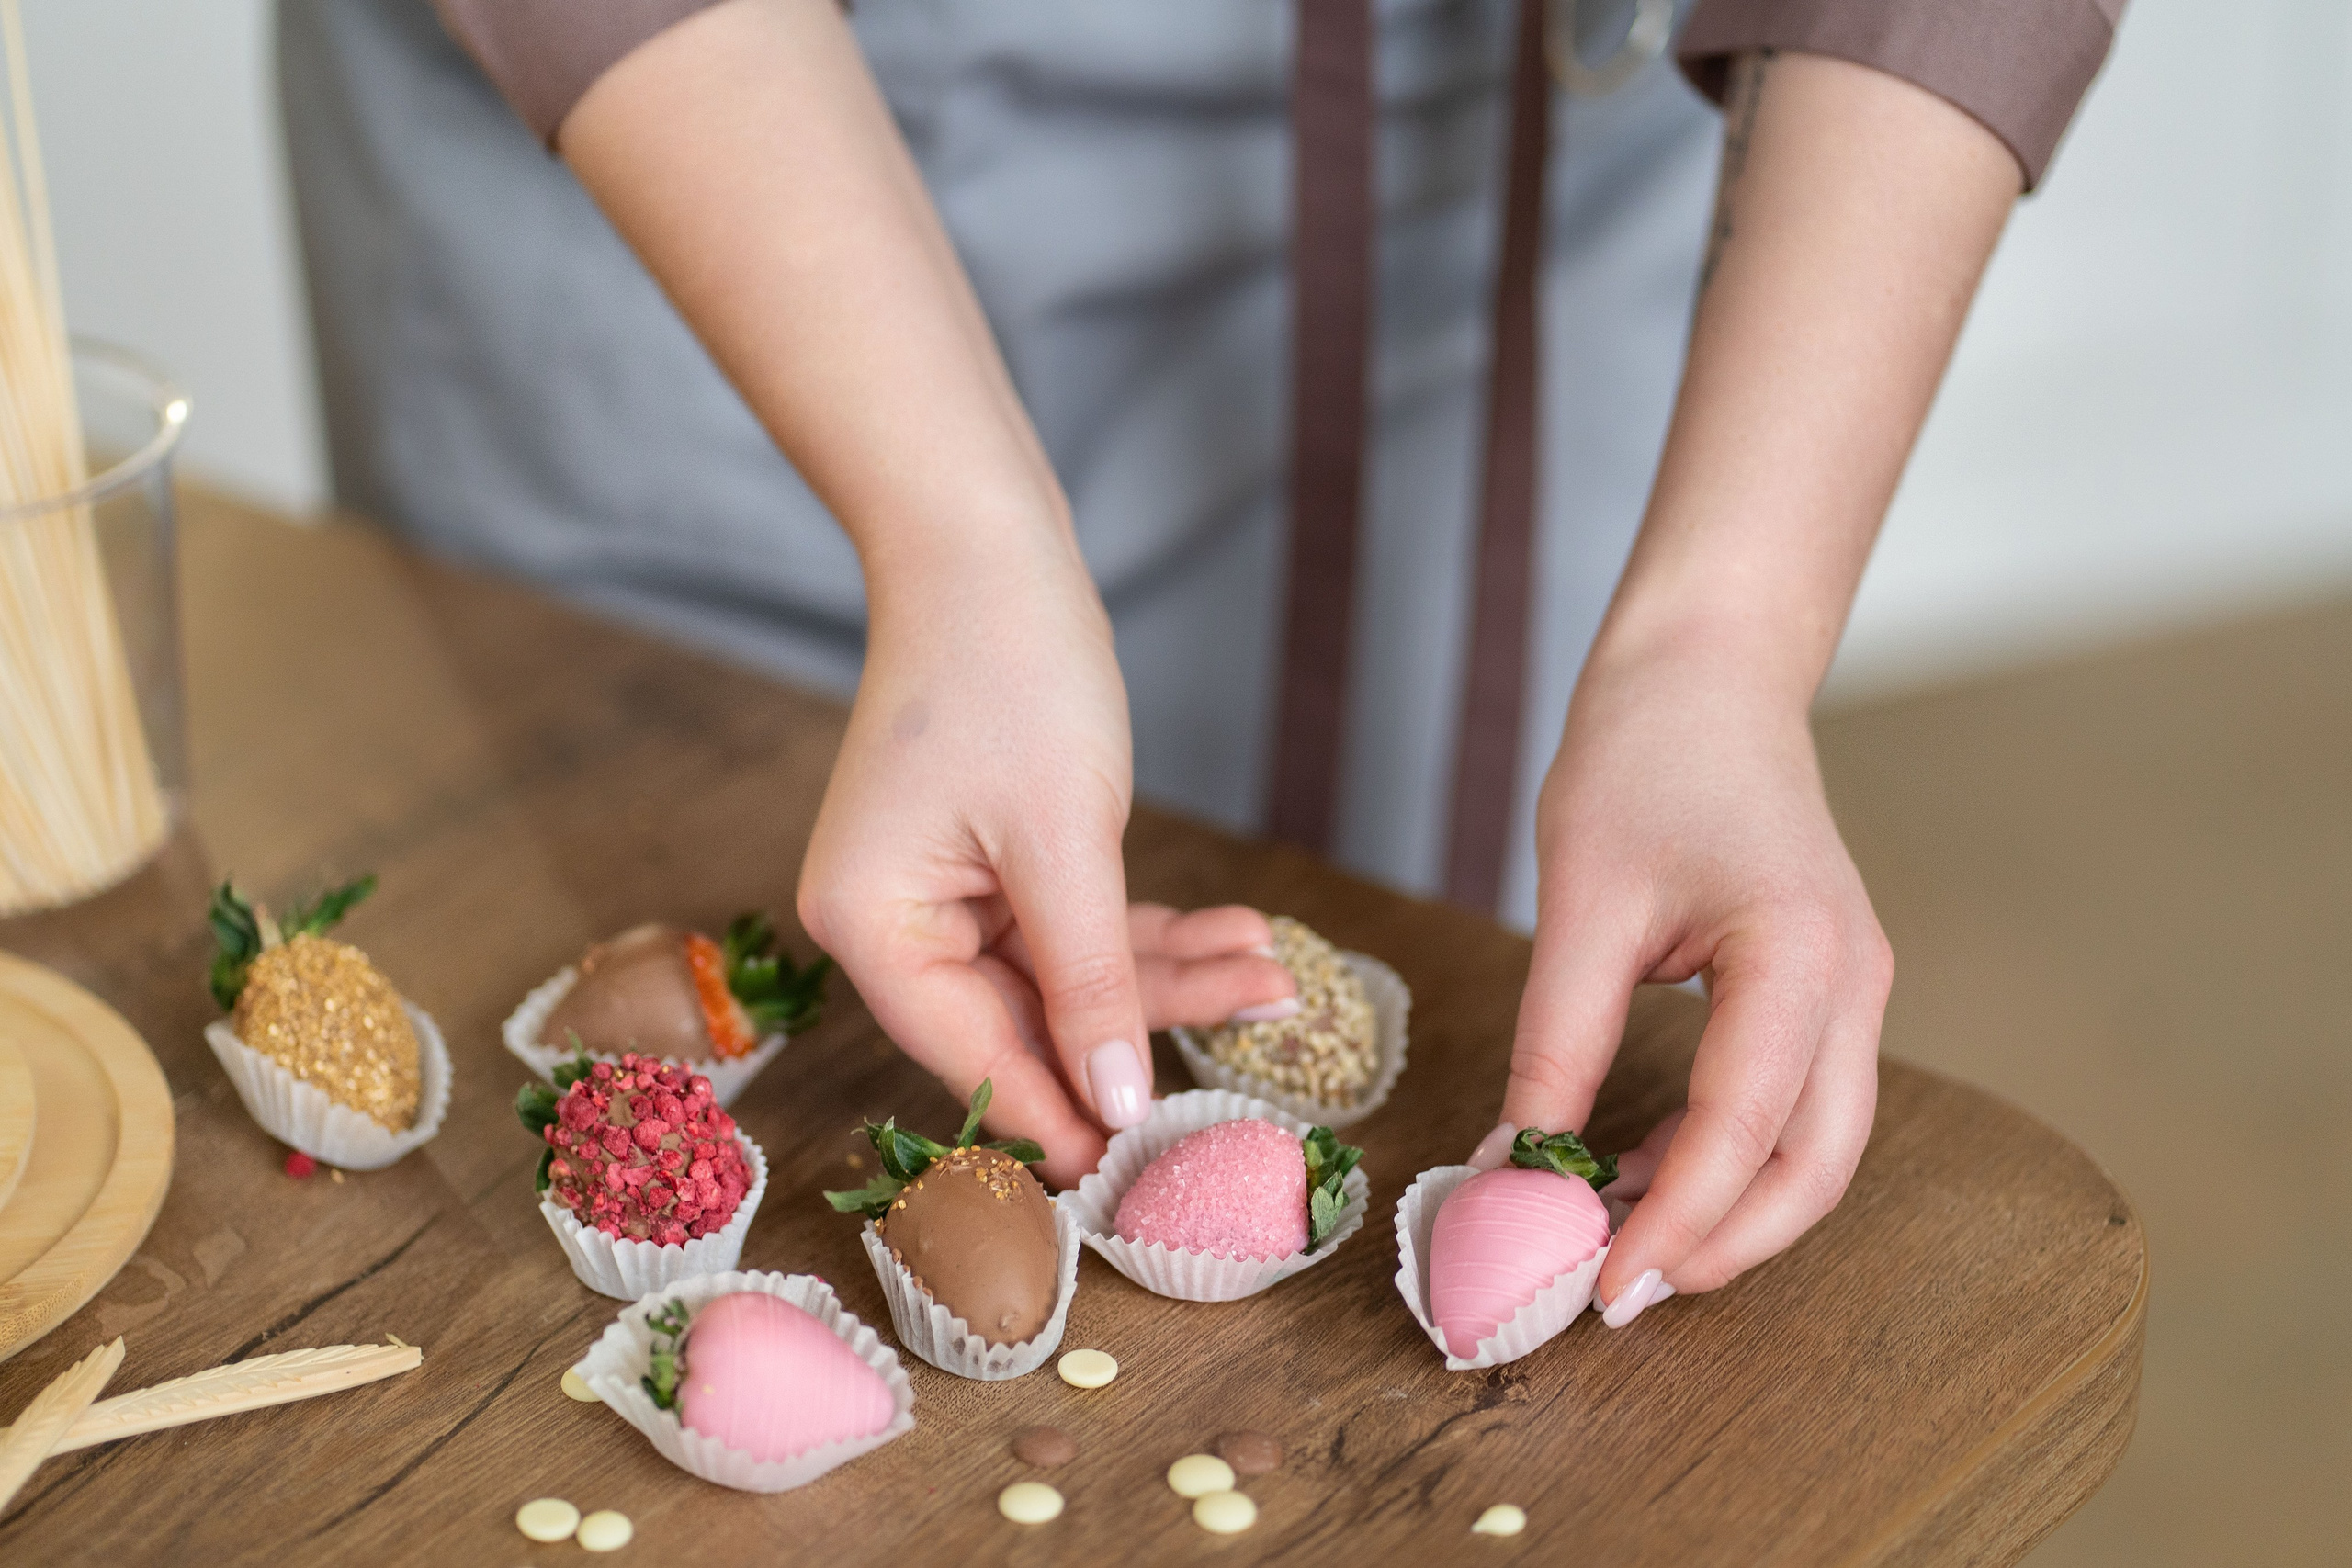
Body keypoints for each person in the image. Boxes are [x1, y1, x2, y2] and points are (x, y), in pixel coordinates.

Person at [278, 0, 2121, 1327]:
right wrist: (955, 536)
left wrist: (1718, 638)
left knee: (1446, 984)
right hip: (710, 135)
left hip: (1521, 141)